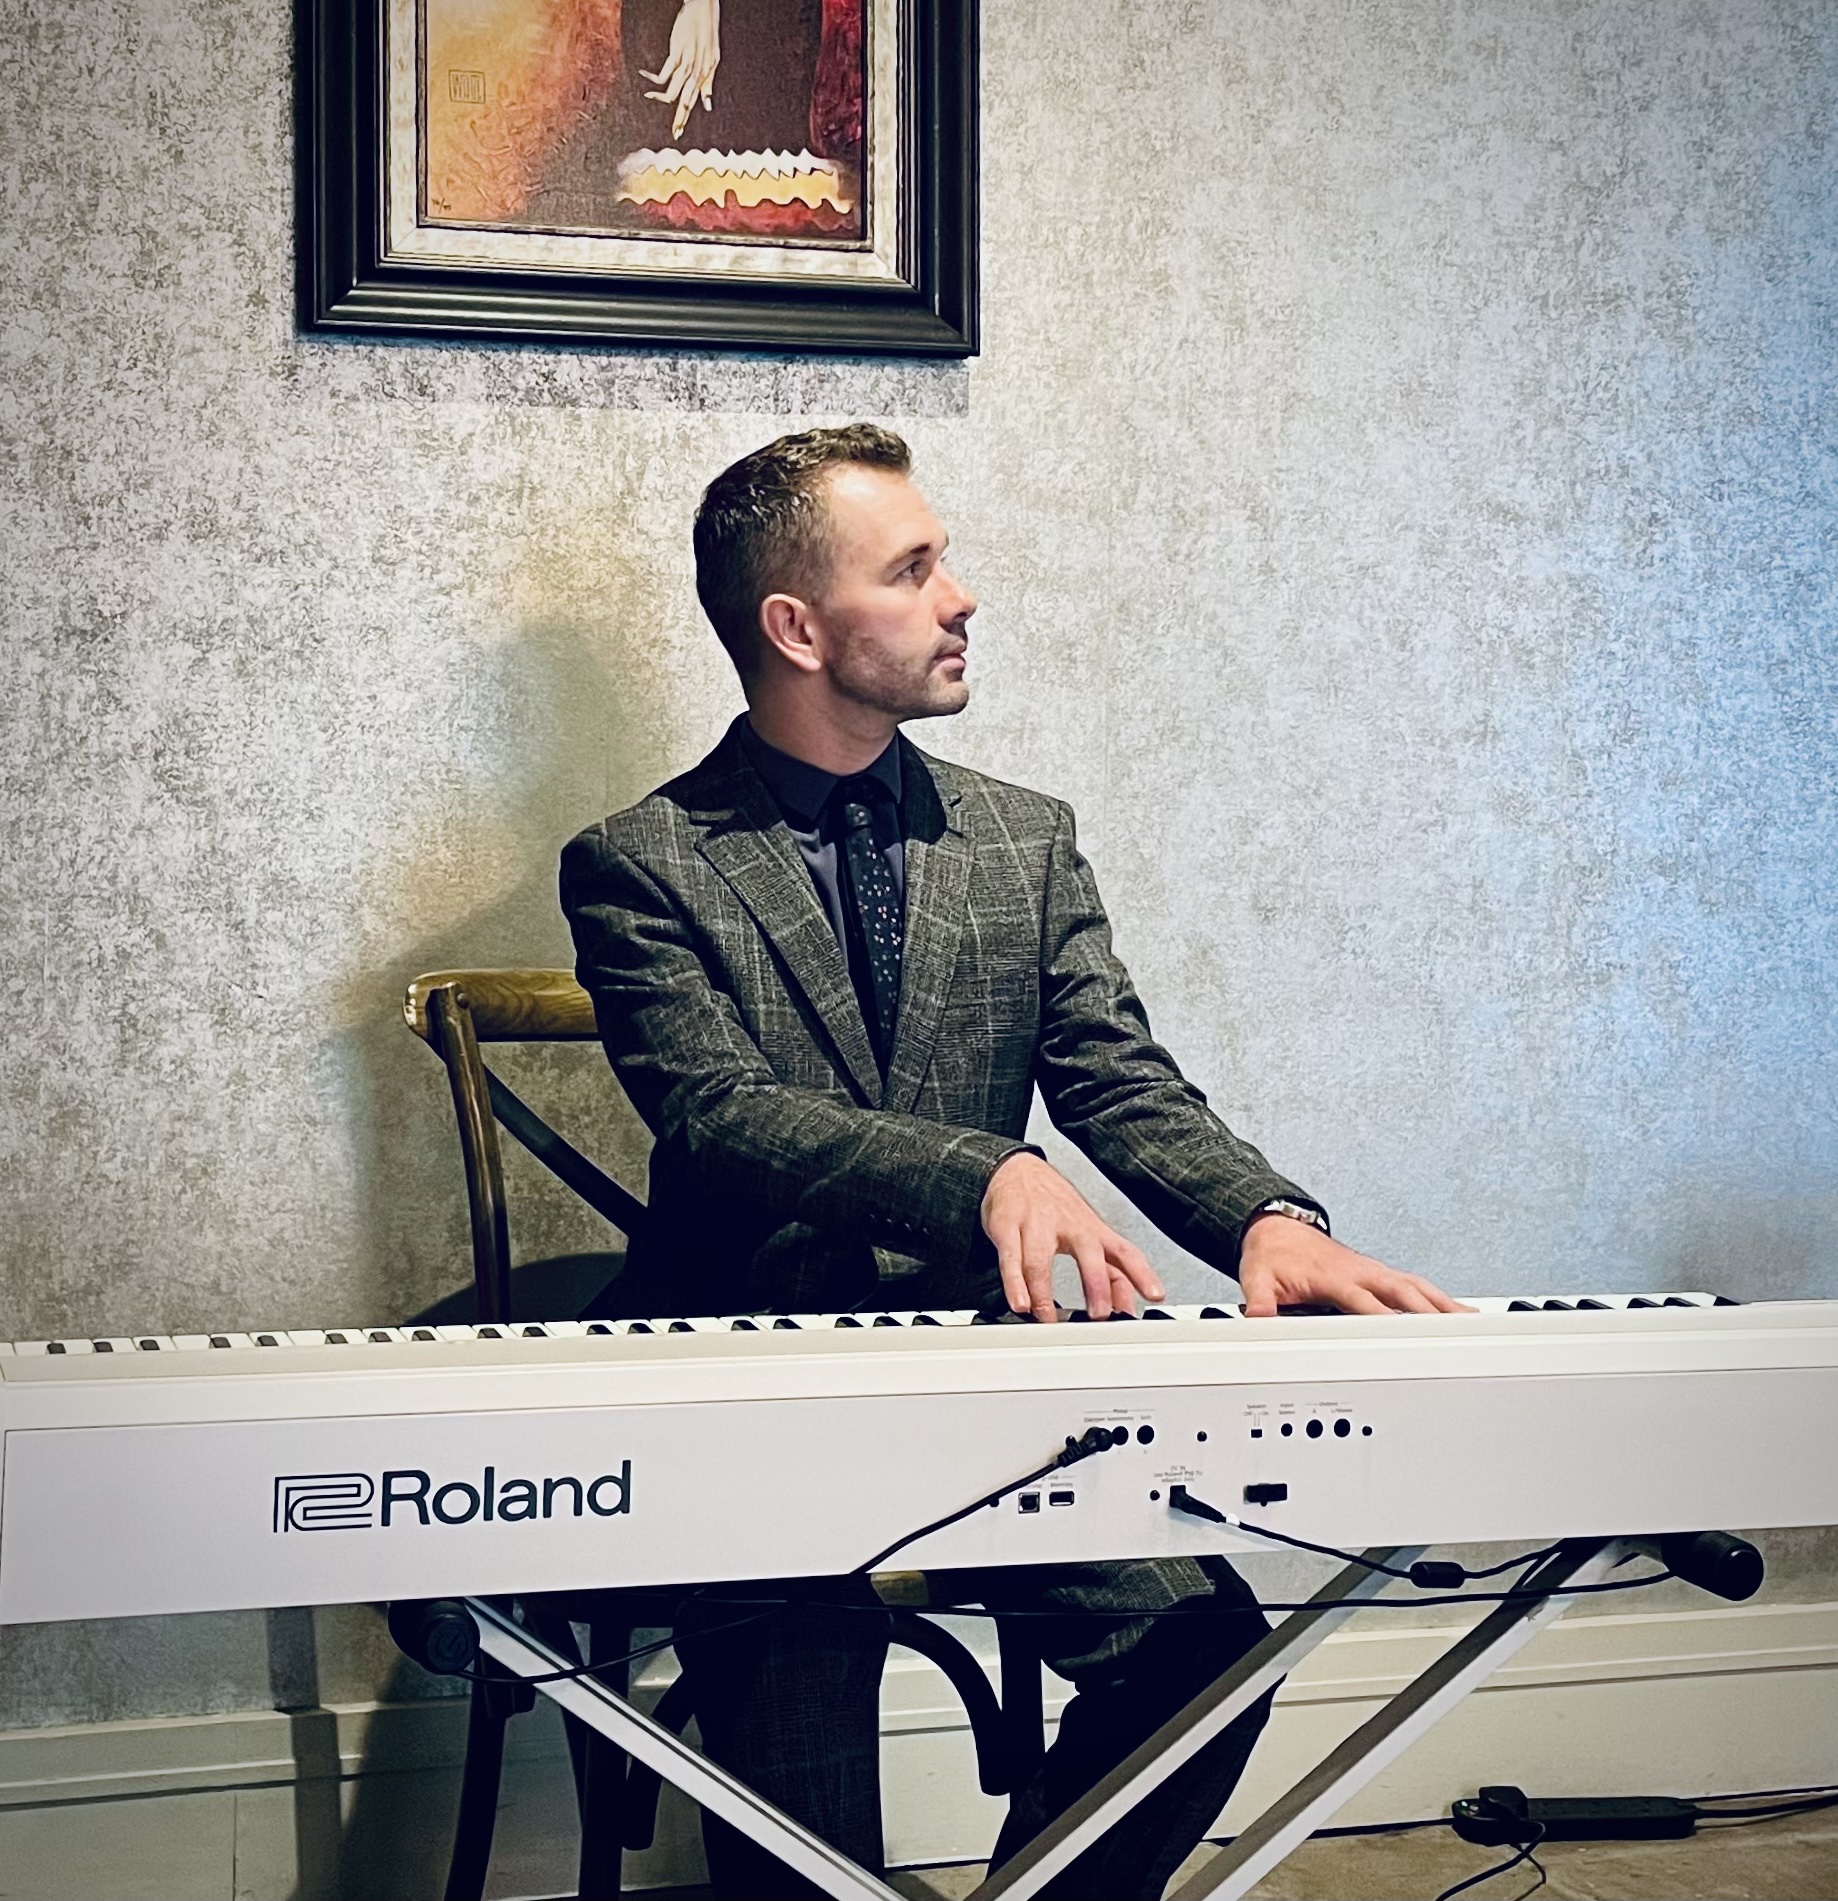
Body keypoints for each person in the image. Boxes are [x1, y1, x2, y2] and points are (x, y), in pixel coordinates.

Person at [560, 424, 1463, 1899]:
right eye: (912, 569)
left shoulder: (1021, 841)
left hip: (990, 1384)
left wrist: (1264, 1217)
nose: (960, 594)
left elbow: (1115, 1075)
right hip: (751, 1391)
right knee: (799, 1813)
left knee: (1196, 1659)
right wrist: (982, 1172)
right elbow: (714, 1113)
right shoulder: (639, 861)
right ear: (797, 627)